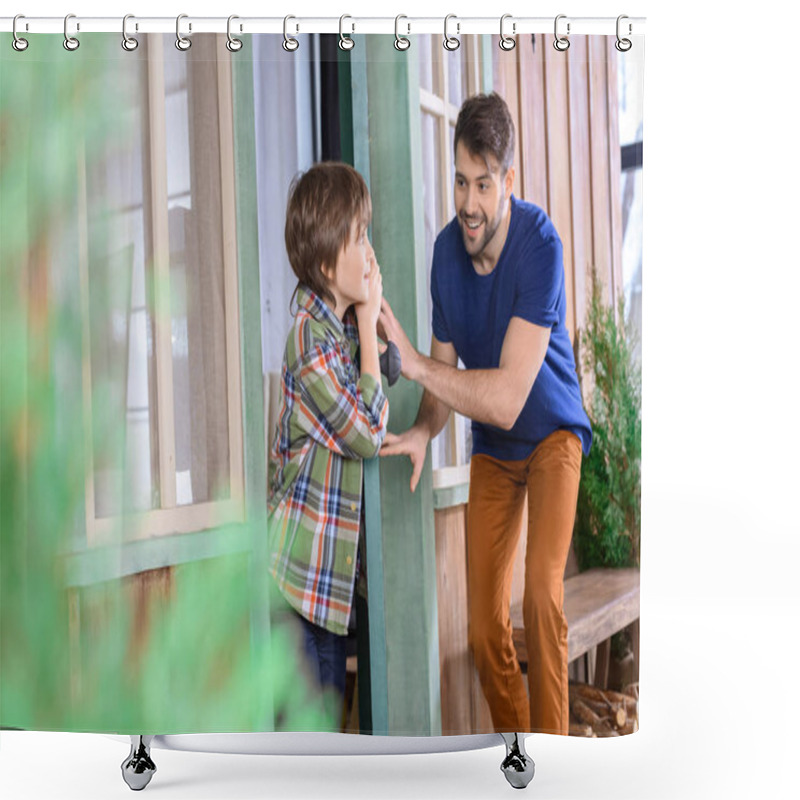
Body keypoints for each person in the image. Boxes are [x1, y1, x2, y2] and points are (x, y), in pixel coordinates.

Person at [379, 93, 592, 736]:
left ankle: (557, 763)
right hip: (495, 450)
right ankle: (520, 749)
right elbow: (447, 372)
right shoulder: (446, 253)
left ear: (508, 182)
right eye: (460, 182)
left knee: (542, 596)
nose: (469, 203)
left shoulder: (540, 245)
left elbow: (502, 396)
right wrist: (421, 428)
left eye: (483, 184)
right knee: (481, 628)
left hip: (552, 433)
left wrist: (413, 365)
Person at [268, 162, 388, 726]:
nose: (369, 252)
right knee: (304, 754)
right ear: (323, 264)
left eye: (367, 233)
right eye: (358, 236)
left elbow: (376, 416)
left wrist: (366, 333)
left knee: (324, 748)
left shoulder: (338, 341)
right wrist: (368, 327)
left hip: (328, 595)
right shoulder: (309, 341)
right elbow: (365, 435)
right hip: (294, 590)